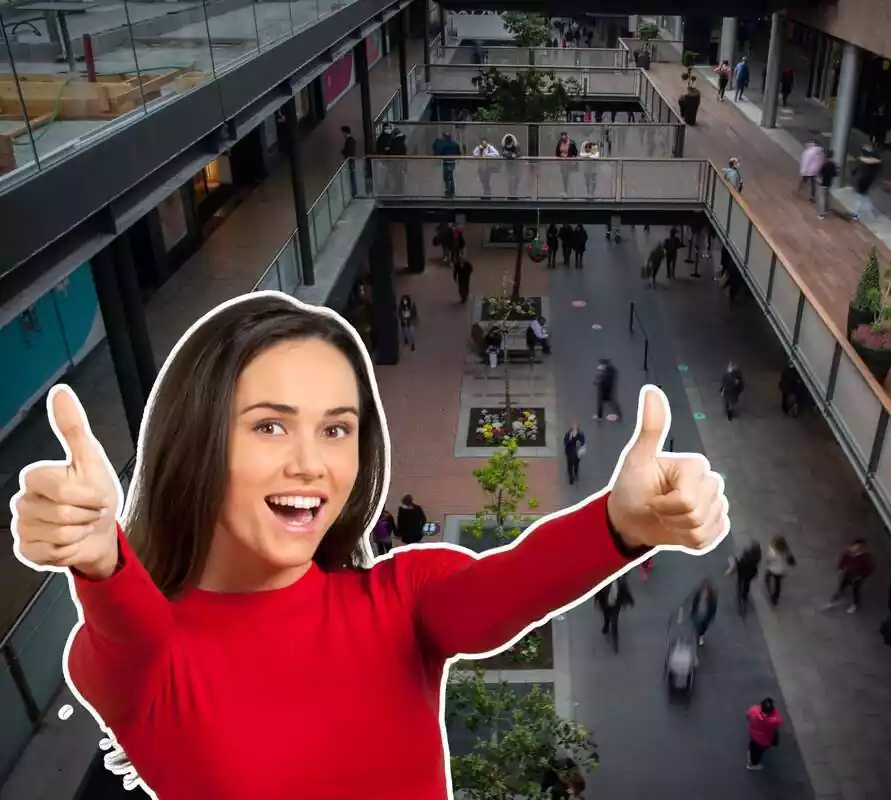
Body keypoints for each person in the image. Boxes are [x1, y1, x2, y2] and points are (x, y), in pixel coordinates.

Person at [9, 295, 730, 799]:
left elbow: (497, 595)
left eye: (337, 428)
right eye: (269, 425)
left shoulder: (400, 599)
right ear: (193, 439)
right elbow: (127, 626)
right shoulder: (147, 659)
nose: (311, 464)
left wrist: (619, 525)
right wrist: (99, 555)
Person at [825, 539, 875, 613]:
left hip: (857, 578)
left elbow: (868, 570)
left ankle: (855, 604)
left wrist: (860, 577)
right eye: (853, 546)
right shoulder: (848, 554)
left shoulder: (865, 559)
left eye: (856, 548)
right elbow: (843, 561)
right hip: (848, 574)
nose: (853, 549)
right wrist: (840, 568)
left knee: (856, 591)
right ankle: (838, 596)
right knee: (842, 585)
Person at [594, 575, 635, 652]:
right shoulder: (602, 583)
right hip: (605, 606)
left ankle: (615, 643)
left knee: (614, 625)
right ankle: (606, 626)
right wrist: (597, 603)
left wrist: (631, 601)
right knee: (606, 617)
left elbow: (626, 592)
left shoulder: (621, 583)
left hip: (615, 607)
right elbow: (597, 594)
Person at [745, 698, 783, 771]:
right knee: (759, 751)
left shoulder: (754, 710)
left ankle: (751, 757)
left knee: (753, 745)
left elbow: (748, 716)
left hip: (753, 732)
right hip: (764, 739)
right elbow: (778, 723)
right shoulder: (773, 720)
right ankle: (753, 763)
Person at [727, 541, 762, 616]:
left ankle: (740, 596)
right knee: (747, 584)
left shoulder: (747, 556)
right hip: (751, 573)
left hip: (743, 573)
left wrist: (734, 561)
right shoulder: (757, 557)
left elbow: (740, 564)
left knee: (740, 583)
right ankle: (745, 596)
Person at [850, 146, 882, 221]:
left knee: (860, 199)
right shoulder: (875, 163)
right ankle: (859, 212)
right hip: (869, 182)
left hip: (861, 183)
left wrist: (854, 177)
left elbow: (854, 171)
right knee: (864, 198)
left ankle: (856, 214)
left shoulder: (861, 162)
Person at [763, 535, 795, 606]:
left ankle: (766, 579)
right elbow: (788, 559)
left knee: (768, 573)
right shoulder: (786, 550)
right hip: (780, 570)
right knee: (778, 584)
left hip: (772, 568)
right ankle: (775, 598)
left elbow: (768, 559)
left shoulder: (772, 551)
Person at [689, 578, 718, 646]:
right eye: (703, 591)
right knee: (697, 625)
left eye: (706, 592)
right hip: (698, 614)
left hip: (706, 616)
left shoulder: (712, 599)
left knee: (703, 627)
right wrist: (692, 611)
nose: (705, 593)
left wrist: (711, 616)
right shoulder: (698, 595)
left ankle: (700, 635)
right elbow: (694, 603)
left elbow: (713, 609)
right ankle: (699, 634)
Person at [432, 131, 461, 197]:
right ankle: (452, 191)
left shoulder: (442, 144)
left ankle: (449, 192)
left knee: (446, 178)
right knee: (451, 177)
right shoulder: (454, 144)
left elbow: (437, 151)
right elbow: (458, 153)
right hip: (452, 162)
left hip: (446, 162)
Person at [555, 131, 578, 195]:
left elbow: (575, 152)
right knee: (564, 177)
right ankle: (566, 191)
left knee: (568, 176)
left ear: (567, 136)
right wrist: (559, 158)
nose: (563, 138)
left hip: (569, 162)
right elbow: (557, 151)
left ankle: (569, 191)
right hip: (562, 162)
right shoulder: (560, 142)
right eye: (562, 137)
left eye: (564, 136)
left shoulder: (571, 143)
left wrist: (572, 159)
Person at [816, 148, 837, 221]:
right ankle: (826, 209)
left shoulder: (825, 164)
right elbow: (835, 174)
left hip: (823, 183)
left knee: (822, 198)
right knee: (827, 196)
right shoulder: (833, 164)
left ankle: (821, 214)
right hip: (829, 183)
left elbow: (820, 173)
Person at [500, 133, 521, 198]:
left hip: (516, 165)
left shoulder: (517, 145)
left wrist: (512, 155)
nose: (509, 146)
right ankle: (512, 194)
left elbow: (519, 154)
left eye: (510, 145)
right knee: (509, 180)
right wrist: (511, 155)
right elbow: (503, 154)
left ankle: (515, 191)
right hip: (508, 165)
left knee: (517, 178)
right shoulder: (503, 145)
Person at [341, 125, 359, 194]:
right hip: (351, 160)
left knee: (351, 176)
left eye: (343, 133)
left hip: (350, 161)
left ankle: (353, 191)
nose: (343, 135)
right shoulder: (351, 140)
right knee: (352, 176)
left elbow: (349, 151)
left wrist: (344, 152)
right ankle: (353, 191)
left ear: (345, 132)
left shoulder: (349, 141)